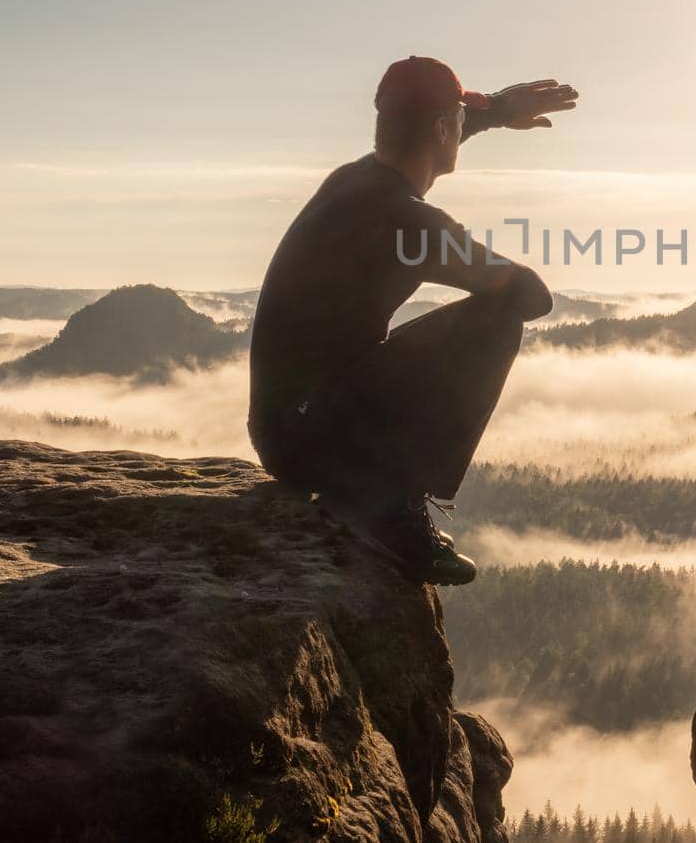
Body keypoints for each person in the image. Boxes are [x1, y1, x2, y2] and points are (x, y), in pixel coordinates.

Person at [247, 57, 578, 585]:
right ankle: (387, 507)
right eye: (459, 119)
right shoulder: (413, 224)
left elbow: (424, 136)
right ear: (444, 128)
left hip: (283, 426)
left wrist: (493, 110)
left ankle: (375, 490)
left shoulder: (352, 183)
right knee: (497, 320)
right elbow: (532, 297)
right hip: (315, 441)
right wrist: (486, 262)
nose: (463, 128)